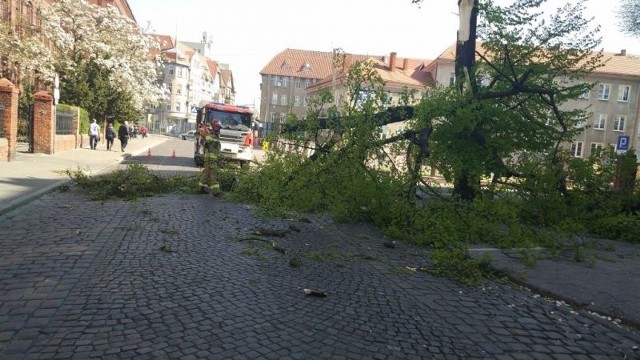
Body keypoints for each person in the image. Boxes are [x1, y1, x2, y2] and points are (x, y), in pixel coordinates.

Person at [199, 119, 222, 196]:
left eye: (219, 127)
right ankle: (216, 191)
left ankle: (201, 188)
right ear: (213, 127)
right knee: (213, 174)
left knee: (206, 173)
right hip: (210, 158)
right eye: (217, 127)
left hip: (211, 158)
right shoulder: (211, 135)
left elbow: (217, 148)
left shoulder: (215, 135)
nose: (218, 128)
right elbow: (207, 143)